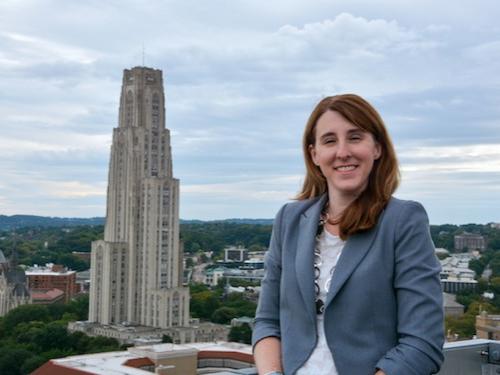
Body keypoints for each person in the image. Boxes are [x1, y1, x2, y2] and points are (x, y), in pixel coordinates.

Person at [252, 94, 444, 375]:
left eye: (355, 137)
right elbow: (267, 321)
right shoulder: (289, 220)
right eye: (330, 141)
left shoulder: (402, 221)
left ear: (377, 148)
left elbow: (422, 343)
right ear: (314, 154)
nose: (343, 152)